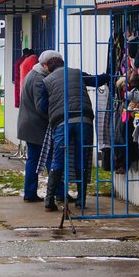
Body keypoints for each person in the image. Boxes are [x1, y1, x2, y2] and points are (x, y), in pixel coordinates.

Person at [39, 54, 109, 211]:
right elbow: (96, 80)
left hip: (62, 122)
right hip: (84, 120)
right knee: (81, 160)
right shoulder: (77, 73)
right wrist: (109, 74)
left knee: (58, 160)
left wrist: (53, 114)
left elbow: (42, 107)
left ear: (49, 69)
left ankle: (49, 201)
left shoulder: (47, 81)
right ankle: (81, 201)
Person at [16, 50, 55, 202]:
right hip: (36, 126)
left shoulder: (33, 74)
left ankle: (31, 193)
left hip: (29, 125)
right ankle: (54, 192)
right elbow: (41, 106)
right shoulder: (39, 79)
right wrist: (54, 117)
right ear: (46, 64)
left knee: (34, 159)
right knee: (48, 159)